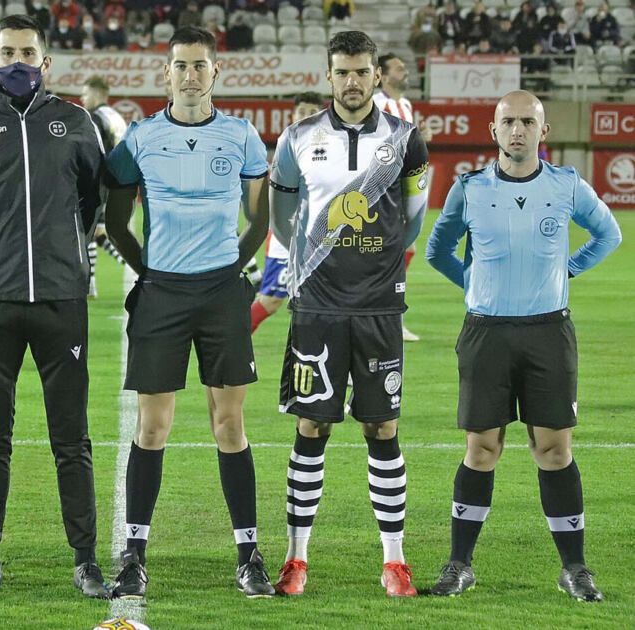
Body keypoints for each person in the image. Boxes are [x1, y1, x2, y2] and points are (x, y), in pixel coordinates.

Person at [425, 90, 621, 602]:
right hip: (486, 332)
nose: (517, 131)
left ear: (543, 131)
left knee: (554, 451)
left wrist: (570, 268)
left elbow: (609, 234)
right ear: (493, 132)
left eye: (526, 122)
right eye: (507, 122)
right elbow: (436, 248)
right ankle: (460, 565)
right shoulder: (468, 189)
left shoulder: (566, 185)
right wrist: (469, 283)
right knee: (482, 449)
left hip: (547, 334)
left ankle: (575, 568)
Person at [0, 14, 107, 599]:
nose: (17, 62)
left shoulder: (75, 121)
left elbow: (91, 197)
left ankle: (85, 559)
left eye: (27, 52)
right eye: (7, 51)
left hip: (61, 298)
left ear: (45, 61)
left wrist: (62, 253)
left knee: (71, 436)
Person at [104, 26, 273, 600]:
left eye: (200, 65)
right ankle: (134, 556)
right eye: (181, 65)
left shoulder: (243, 136)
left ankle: (249, 554)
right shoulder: (141, 138)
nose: (191, 74)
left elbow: (260, 218)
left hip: (221, 292)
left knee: (229, 426)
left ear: (215, 73)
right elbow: (116, 218)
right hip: (163, 295)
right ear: (167, 73)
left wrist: (235, 270)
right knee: (153, 428)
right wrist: (147, 271)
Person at [269, 30, 430, 598]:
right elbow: (283, 213)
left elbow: (412, 218)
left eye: (362, 71)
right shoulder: (298, 137)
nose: (353, 81)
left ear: (376, 76)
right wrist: (318, 262)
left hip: (381, 306)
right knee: (311, 426)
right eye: (342, 72)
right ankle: (295, 560)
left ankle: (395, 562)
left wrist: (376, 263)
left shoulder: (406, 140)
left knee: (381, 428)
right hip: (316, 305)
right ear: (329, 75)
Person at [250, 91, 323, 335]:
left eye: (312, 113)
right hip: (288, 233)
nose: (306, 117)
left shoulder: (330, 144)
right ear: (293, 114)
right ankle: (229, 344)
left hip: (320, 234)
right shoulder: (289, 142)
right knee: (271, 299)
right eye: (302, 112)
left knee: (323, 301)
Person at [374, 52, 431, 343]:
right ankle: (385, 317)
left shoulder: (405, 104)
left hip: (404, 186)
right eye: (398, 68)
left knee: (406, 250)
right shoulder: (377, 104)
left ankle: (393, 316)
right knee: (394, 254)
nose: (405, 71)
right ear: (382, 75)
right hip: (385, 190)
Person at [79, 74, 128, 297]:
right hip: (117, 180)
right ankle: (93, 284)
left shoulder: (96, 118)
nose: (82, 97)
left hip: (100, 182)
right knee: (97, 233)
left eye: (86, 92)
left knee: (90, 232)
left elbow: (94, 152)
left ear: (98, 94)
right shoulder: (115, 116)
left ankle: (90, 285)